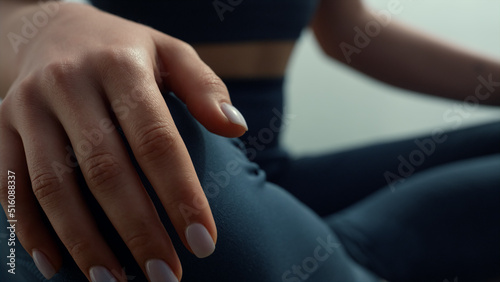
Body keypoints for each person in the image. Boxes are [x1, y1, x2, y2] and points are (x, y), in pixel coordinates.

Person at [0, 0, 499, 281]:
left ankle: (320, 251)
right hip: (186, 157)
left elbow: (351, 32)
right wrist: (51, 25)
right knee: (127, 151)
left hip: (274, 169)